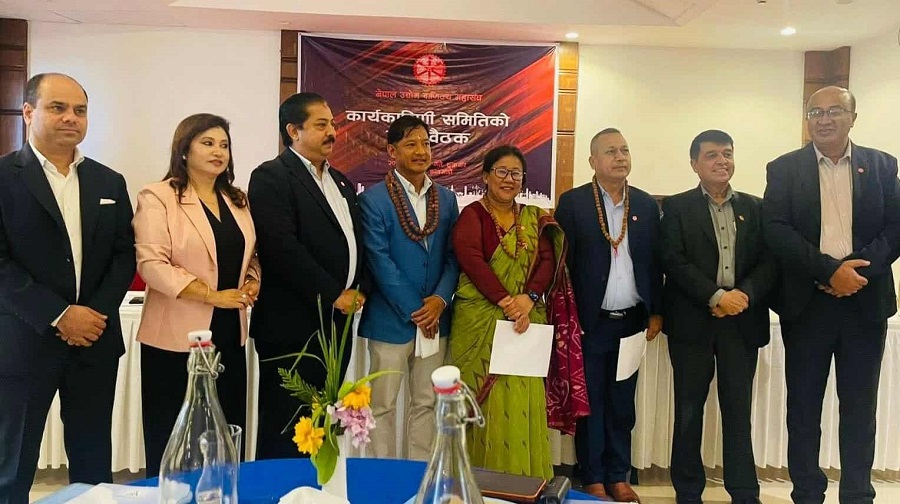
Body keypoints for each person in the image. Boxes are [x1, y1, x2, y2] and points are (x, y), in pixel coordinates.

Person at [0, 73, 135, 504]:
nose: (71, 118)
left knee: (93, 464)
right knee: (12, 466)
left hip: (94, 341)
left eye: (80, 110)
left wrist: (92, 315)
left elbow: (123, 256)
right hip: (25, 340)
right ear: (28, 112)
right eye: (57, 108)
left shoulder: (109, 181)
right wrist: (59, 315)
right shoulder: (3, 176)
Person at [763, 86, 900, 504]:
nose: (824, 119)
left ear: (852, 118)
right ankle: (807, 493)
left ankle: (858, 494)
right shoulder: (784, 168)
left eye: (834, 111)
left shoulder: (882, 165)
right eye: (815, 112)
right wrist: (828, 271)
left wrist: (855, 272)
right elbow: (776, 229)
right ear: (807, 120)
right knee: (803, 408)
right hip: (807, 304)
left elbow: (895, 228)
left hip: (865, 302)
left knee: (859, 407)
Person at [132, 113, 260, 476]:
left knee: (226, 429)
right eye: (208, 143)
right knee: (174, 435)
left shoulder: (237, 199)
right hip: (175, 337)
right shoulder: (158, 196)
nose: (218, 152)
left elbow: (251, 255)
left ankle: (223, 492)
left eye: (224, 145)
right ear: (184, 150)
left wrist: (252, 281)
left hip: (229, 331)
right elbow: (151, 264)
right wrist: (212, 295)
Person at [248, 92, 369, 459]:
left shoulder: (341, 182)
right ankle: (278, 488)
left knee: (322, 420)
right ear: (293, 131)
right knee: (287, 424)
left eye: (331, 124)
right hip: (291, 327)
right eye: (321, 125)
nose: (332, 131)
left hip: (336, 325)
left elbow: (356, 241)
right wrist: (334, 293)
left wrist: (359, 287)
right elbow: (281, 248)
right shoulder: (271, 176)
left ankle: (317, 485)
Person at [659, 130, 776, 504]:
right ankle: (688, 491)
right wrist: (715, 296)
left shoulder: (756, 208)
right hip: (693, 322)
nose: (721, 161)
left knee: (739, 411)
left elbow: (770, 261)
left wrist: (743, 296)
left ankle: (744, 491)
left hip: (742, 322)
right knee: (688, 411)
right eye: (711, 155)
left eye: (727, 153)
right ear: (694, 163)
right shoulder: (676, 208)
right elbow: (673, 260)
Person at [555, 128, 663, 503]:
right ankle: (592, 477)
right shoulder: (574, 203)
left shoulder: (645, 204)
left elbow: (655, 263)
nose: (620, 157)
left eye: (624, 150)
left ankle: (619, 475)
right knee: (591, 402)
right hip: (590, 322)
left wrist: (656, 311)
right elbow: (562, 265)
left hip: (631, 321)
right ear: (592, 161)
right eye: (610, 151)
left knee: (621, 404)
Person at [449, 145, 565, 479]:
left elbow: (548, 260)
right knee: (488, 406)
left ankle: (526, 480)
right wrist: (506, 301)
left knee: (523, 401)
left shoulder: (533, 217)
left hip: (524, 326)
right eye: (501, 171)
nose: (509, 179)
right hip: (481, 322)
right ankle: (479, 484)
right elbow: (471, 259)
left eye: (516, 173)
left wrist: (529, 298)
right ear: (485, 176)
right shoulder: (472, 215)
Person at [358, 116, 459, 461]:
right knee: (381, 404)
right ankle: (383, 479)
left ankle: (420, 476)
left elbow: (453, 257)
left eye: (426, 144)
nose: (421, 151)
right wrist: (418, 310)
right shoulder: (373, 200)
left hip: (436, 320)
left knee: (428, 402)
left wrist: (440, 300)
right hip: (391, 320)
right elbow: (379, 260)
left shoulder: (446, 199)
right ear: (392, 151)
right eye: (411, 144)